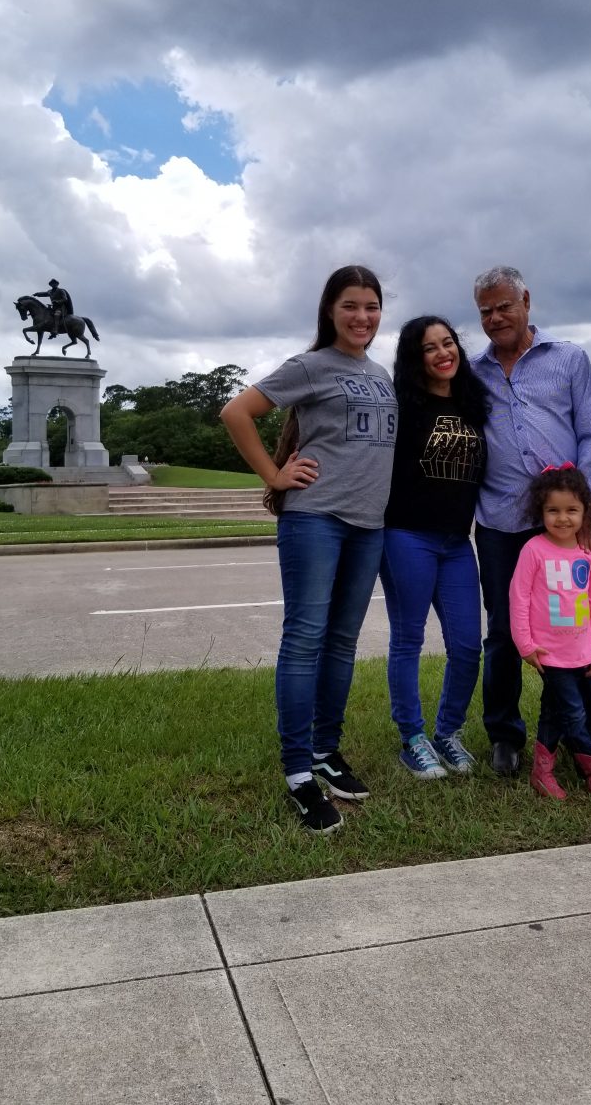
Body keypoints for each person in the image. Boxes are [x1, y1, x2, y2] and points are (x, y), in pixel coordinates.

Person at [220, 266, 397, 834]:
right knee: (304, 640)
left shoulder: (380, 373)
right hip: (316, 518)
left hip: (369, 524)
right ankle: (297, 771)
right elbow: (237, 412)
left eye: (371, 306)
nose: (362, 317)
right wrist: (275, 475)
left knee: (342, 643)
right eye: (351, 305)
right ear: (330, 310)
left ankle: (326, 750)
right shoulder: (310, 366)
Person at [470, 266, 591, 777]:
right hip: (502, 522)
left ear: (526, 300)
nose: (496, 317)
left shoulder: (569, 359)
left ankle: (579, 733)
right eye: (485, 310)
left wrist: (585, 510)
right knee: (505, 631)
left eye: (504, 305)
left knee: (572, 626)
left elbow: (589, 435)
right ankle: (505, 735)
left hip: (565, 523)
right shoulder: (473, 370)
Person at [380, 316, 489, 779]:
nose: (443, 353)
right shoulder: (403, 405)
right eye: (430, 348)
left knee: (467, 645)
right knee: (408, 638)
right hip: (406, 535)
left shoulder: (473, 403)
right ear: (414, 357)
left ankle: (447, 732)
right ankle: (412, 738)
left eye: (448, 343)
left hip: (456, 540)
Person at [509, 464, 591, 803]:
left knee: (560, 710)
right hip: (548, 652)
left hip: (582, 650)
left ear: (585, 512)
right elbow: (519, 597)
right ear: (540, 511)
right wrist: (525, 644)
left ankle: (542, 772)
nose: (562, 518)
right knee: (575, 714)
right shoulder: (534, 550)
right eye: (553, 511)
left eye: (571, 510)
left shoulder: (586, 552)